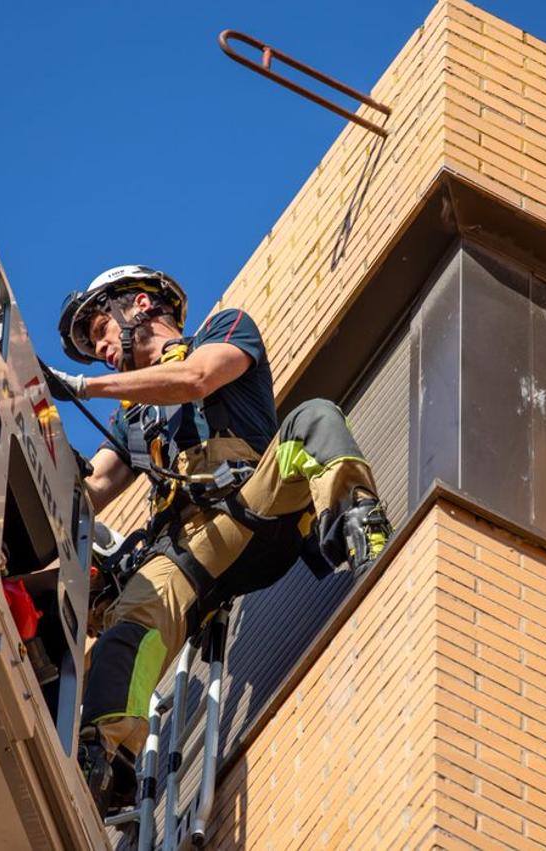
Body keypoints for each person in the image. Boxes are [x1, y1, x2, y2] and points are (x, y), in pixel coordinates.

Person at [46, 264, 392, 815]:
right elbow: (90, 491)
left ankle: (360, 528)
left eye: (99, 329)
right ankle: (101, 759)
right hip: (187, 551)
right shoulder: (134, 419)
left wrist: (82, 387)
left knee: (313, 420)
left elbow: (197, 380)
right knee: (134, 620)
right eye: (90, 345)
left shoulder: (226, 330)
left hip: (255, 503)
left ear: (138, 305)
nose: (100, 349)